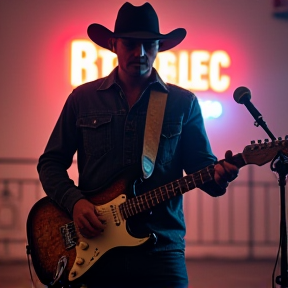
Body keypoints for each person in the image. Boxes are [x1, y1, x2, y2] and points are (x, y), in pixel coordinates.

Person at [37, 2, 239, 288]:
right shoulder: (83, 99)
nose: (140, 53)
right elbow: (50, 163)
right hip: (96, 247)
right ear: (113, 44)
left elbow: (201, 168)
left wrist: (218, 176)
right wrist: (76, 202)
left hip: (161, 248)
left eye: (149, 45)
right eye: (131, 44)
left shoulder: (182, 103)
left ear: (159, 47)